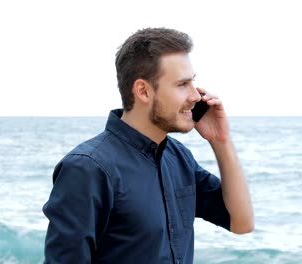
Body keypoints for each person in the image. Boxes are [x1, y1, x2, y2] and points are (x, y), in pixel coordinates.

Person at [42, 27, 254, 264]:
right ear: (143, 91)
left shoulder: (179, 157)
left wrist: (221, 141)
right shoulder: (88, 168)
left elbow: (242, 223)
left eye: (193, 82)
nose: (195, 96)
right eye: (182, 84)